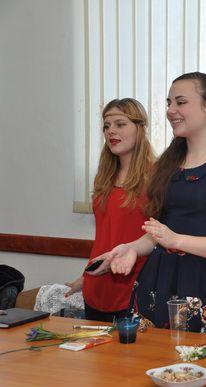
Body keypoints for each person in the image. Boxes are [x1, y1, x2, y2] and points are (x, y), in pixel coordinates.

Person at [97, 72, 206, 334]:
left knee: (202, 359)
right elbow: (158, 233)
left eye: (181, 102)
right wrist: (131, 248)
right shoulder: (167, 163)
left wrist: (176, 240)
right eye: (169, 103)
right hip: (159, 281)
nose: (171, 111)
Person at [64, 98, 155, 322]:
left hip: (136, 287)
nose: (110, 131)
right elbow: (105, 236)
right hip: (96, 287)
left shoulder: (157, 176)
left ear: (140, 128)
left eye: (120, 124)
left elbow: (160, 236)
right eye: (106, 126)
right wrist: (85, 277)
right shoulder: (103, 177)